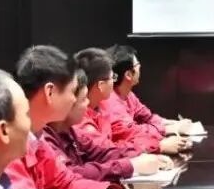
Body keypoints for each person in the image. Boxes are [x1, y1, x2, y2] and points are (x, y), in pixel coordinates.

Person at [7, 45, 144, 189]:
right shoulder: (11, 147)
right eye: (73, 92)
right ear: (49, 92)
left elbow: (67, 182)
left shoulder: (37, 139)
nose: (75, 99)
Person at [42, 67, 173, 181]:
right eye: (83, 99)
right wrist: (134, 164)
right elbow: (70, 177)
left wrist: (143, 154)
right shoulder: (45, 138)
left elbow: (102, 152)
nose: (87, 103)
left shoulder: (69, 129)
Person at [78, 47, 190, 156]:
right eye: (113, 77)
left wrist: (173, 126)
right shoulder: (90, 116)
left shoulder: (98, 110)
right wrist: (158, 144)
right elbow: (109, 151)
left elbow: (113, 147)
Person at [103, 44, 194, 143]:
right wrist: (169, 129)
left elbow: (147, 117)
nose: (140, 66)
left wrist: (174, 123)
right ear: (128, 75)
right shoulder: (110, 101)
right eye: (137, 64)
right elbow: (130, 133)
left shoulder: (128, 94)